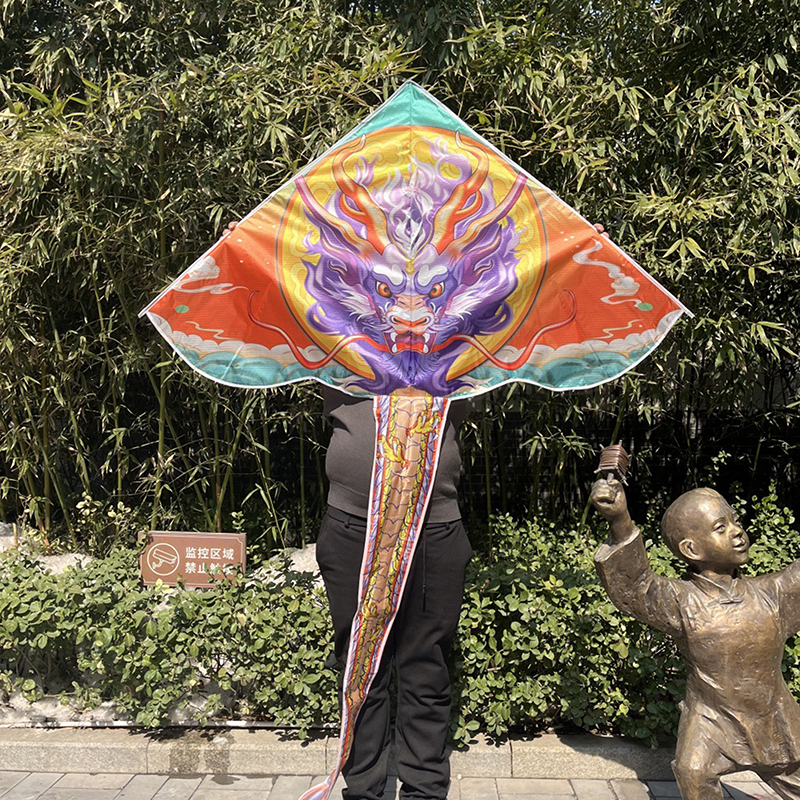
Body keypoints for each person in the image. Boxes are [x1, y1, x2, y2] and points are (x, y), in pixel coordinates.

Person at [223, 219, 610, 800]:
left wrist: (572, 251)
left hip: (435, 528)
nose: (405, 299)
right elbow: (280, 295)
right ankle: (364, 789)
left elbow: (524, 302)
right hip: (353, 526)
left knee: (426, 663)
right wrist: (246, 245)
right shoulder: (337, 337)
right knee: (361, 659)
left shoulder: (459, 345)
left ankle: (425, 790)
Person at [590, 475, 800, 800]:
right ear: (691, 548)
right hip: (711, 719)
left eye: (735, 521)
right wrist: (620, 521)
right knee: (694, 771)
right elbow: (636, 586)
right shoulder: (681, 600)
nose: (737, 531)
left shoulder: (771, 593)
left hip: (773, 716)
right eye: (720, 527)